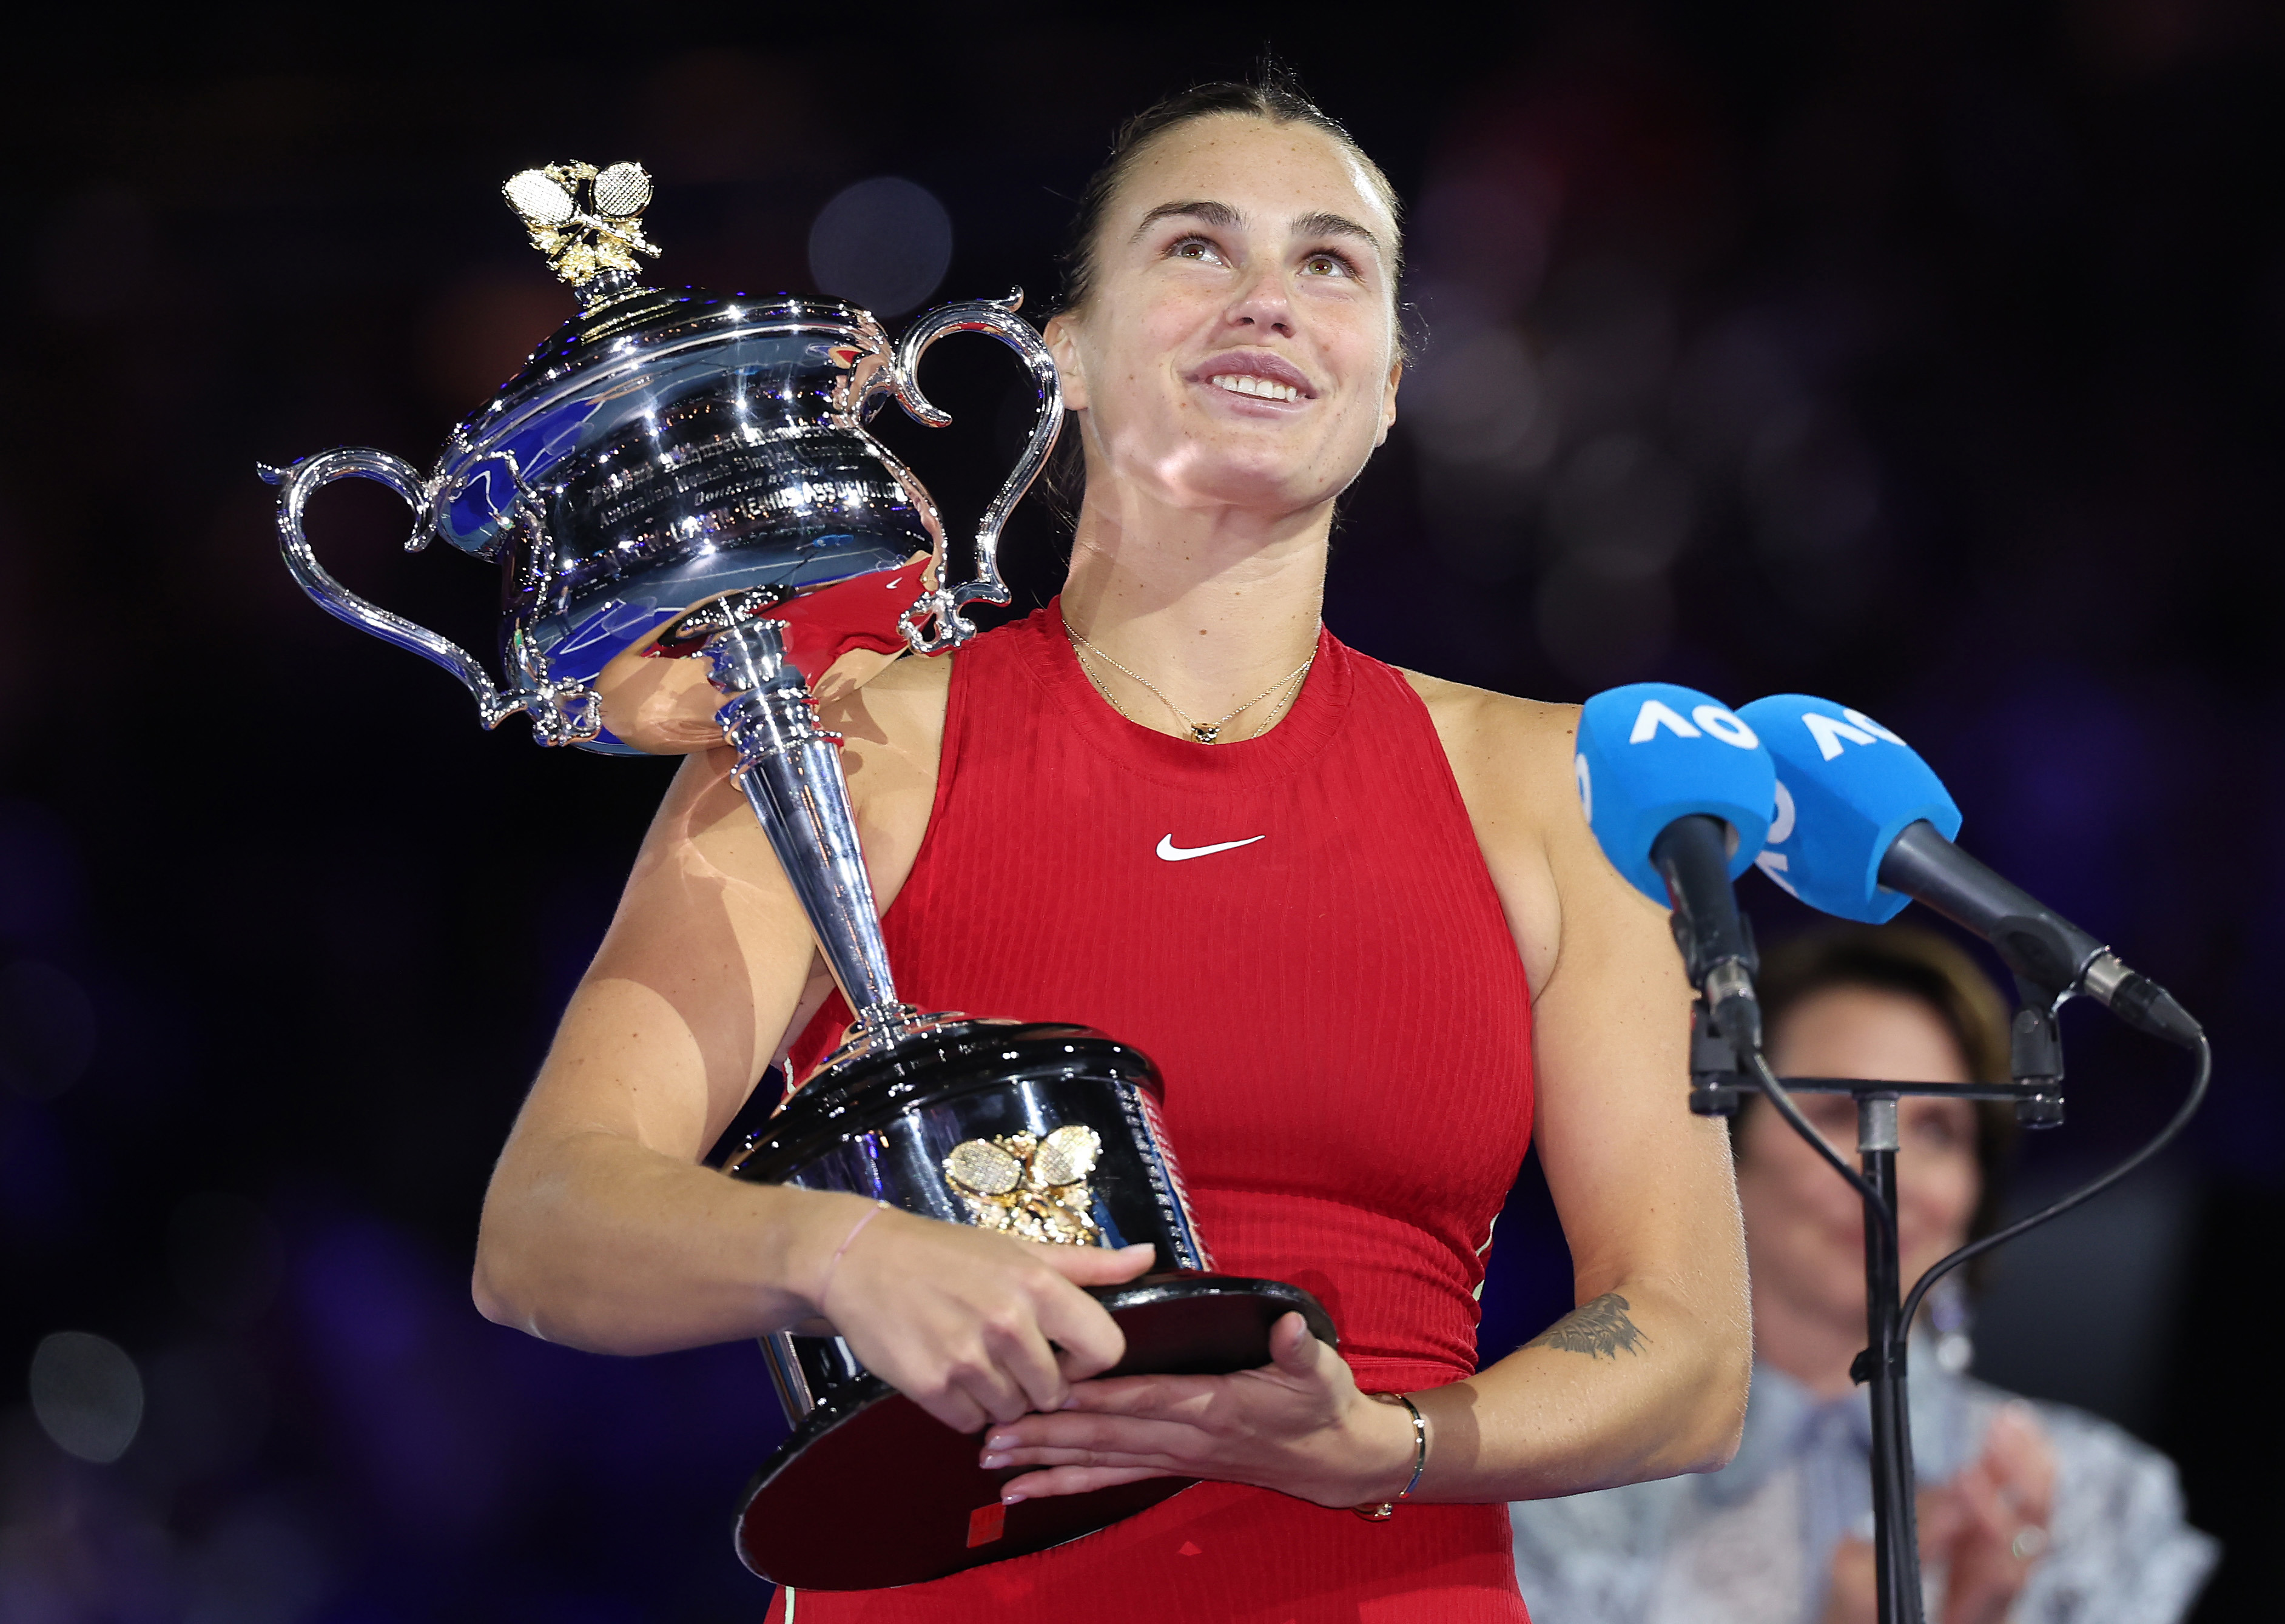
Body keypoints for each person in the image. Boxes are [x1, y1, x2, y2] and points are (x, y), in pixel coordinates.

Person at [469, 74, 1752, 1622]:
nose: (1268, 303)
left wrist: (1381, 1443)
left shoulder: (1553, 785)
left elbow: (1685, 1352)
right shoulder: (850, 741)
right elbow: (544, 1225)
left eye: (1330, 263)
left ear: (1392, 377)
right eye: (1197, 249)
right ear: (1056, 348)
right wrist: (837, 1251)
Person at [1510, 925, 2218, 1623]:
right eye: (1838, 1112)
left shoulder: (2100, 1499)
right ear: (1723, 1146)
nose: (1891, 1170)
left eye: (1940, 1129)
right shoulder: (1571, 1490)